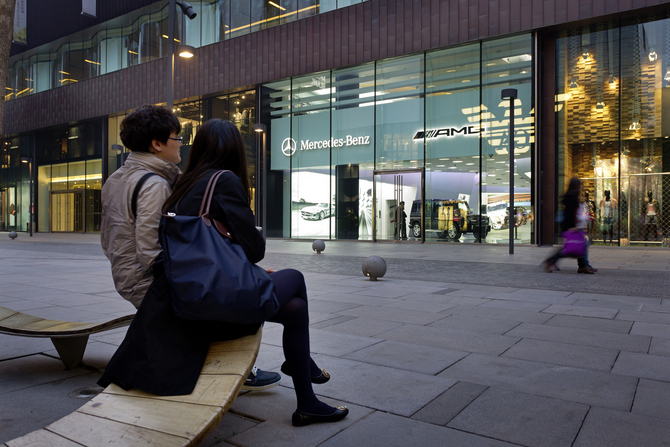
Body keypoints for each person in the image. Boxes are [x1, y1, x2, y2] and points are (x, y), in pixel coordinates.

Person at [101, 119, 348, 427]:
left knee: (295, 310)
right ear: (235, 149)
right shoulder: (224, 180)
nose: (180, 142)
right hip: (213, 305)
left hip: (187, 296)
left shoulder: (184, 183)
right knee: (295, 278)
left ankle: (308, 401)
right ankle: (304, 368)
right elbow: (254, 249)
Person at [100, 105, 280, 391]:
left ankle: (239, 371)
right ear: (157, 144)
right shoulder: (154, 185)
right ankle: (233, 373)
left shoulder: (116, 178)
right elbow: (153, 252)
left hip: (124, 275)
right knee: (230, 301)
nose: (181, 145)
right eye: (176, 138)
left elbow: (107, 238)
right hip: (148, 282)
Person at [542, 177, 597, 274]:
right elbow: (570, 213)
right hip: (571, 226)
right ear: (577, 186)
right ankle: (551, 261)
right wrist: (572, 227)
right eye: (580, 186)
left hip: (571, 226)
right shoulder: (572, 197)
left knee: (578, 245)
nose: (581, 188)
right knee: (572, 247)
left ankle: (582, 266)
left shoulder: (571, 196)